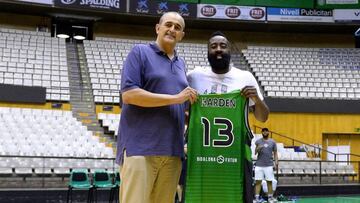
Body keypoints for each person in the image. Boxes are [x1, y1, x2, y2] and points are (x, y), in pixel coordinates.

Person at [116, 11, 197, 203]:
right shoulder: (140, 52)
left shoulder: (181, 65)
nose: (172, 29)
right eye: (168, 24)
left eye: (178, 27)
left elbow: (180, 108)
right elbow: (129, 95)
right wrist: (176, 98)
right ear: (158, 28)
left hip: (172, 152)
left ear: (182, 35)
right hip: (140, 149)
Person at [186, 31, 269, 203]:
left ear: (230, 50)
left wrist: (256, 99)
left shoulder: (245, 77)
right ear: (207, 50)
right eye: (213, 46)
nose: (218, 49)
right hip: (201, 156)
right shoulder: (193, 76)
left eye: (223, 46)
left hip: (235, 158)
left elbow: (263, 118)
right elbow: (184, 113)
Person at [254, 128, 278, 203]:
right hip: (259, 165)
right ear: (262, 132)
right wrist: (258, 148)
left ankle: (270, 198)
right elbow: (255, 152)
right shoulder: (258, 141)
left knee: (269, 181)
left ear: (268, 132)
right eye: (263, 131)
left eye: (266, 131)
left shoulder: (272, 142)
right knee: (258, 182)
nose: (265, 132)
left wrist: (276, 162)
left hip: (269, 165)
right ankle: (257, 198)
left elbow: (275, 153)